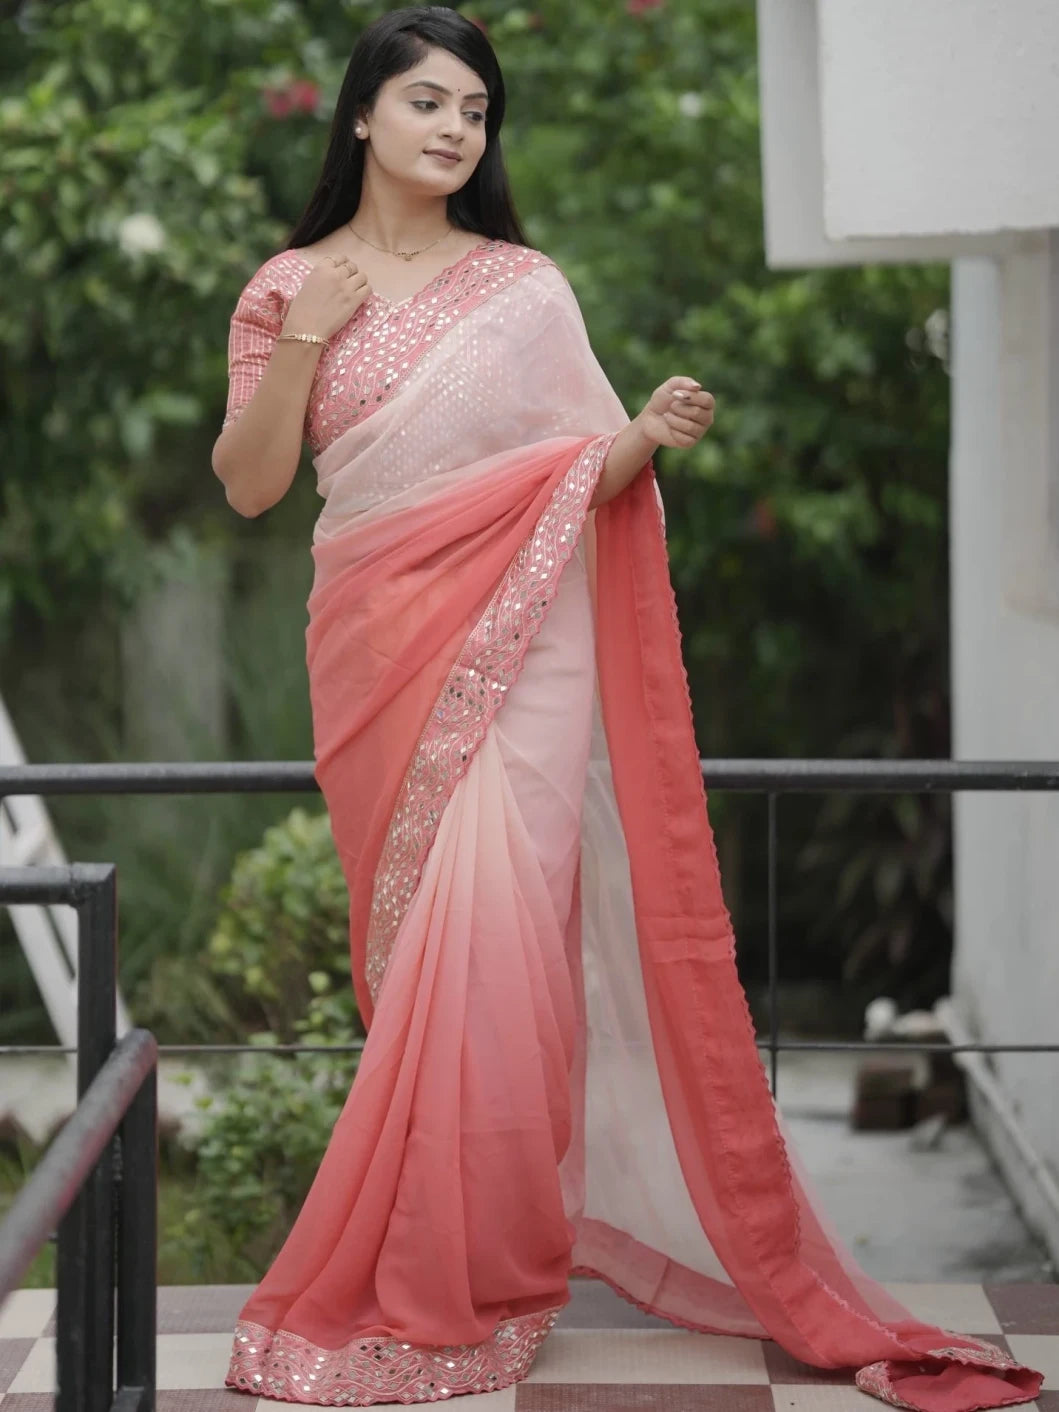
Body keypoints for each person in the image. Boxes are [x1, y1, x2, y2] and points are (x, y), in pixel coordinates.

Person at [212, 7, 1042, 1409]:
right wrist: (303, 340)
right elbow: (248, 484)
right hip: (375, 660)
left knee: (497, 960)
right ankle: (454, 1262)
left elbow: (568, 479)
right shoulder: (283, 285)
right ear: (360, 115)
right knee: (424, 972)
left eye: (476, 110)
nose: (455, 129)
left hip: (523, 658)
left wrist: (639, 442)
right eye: (427, 101)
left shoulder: (525, 288)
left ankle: (465, 1281)